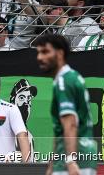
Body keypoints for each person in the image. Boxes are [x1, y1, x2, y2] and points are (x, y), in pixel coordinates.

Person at [34, 33, 97, 175]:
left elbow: (70, 124)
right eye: (38, 53)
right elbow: (61, 130)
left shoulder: (64, 82)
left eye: (45, 52)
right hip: (81, 156)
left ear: (60, 53)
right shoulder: (72, 77)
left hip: (72, 160)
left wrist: (71, 160)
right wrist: (51, 164)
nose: (40, 58)